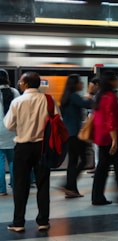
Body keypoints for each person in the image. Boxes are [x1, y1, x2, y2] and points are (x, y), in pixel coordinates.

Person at [4, 72, 58, 232]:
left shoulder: (17, 101)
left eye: (21, 81)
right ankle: (43, 221)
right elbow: (57, 120)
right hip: (43, 147)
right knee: (43, 184)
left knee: (20, 185)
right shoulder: (49, 100)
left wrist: (21, 129)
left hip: (22, 147)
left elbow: (8, 125)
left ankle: (18, 222)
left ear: (26, 84)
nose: (19, 84)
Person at [91, 71, 118, 206]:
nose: (117, 81)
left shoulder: (99, 96)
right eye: (115, 80)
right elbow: (111, 119)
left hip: (101, 137)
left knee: (102, 168)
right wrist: (114, 140)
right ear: (110, 82)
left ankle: (97, 196)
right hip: (112, 137)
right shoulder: (110, 96)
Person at [59, 74, 93, 198]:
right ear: (75, 84)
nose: (82, 84)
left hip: (69, 134)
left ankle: (71, 189)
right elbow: (88, 104)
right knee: (83, 160)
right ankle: (68, 185)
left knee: (73, 162)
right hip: (75, 134)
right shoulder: (74, 97)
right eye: (80, 82)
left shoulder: (66, 97)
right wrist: (92, 93)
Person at [0, 69, 20, 196]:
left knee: (0, 161)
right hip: (12, 130)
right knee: (13, 161)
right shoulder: (15, 92)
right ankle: (15, 185)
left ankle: (1, 189)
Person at [86, 78, 100, 174]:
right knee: (95, 146)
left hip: (96, 122)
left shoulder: (98, 96)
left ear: (96, 85)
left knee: (97, 146)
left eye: (91, 85)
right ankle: (97, 166)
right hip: (94, 121)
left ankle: (98, 167)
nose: (90, 88)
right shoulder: (96, 96)